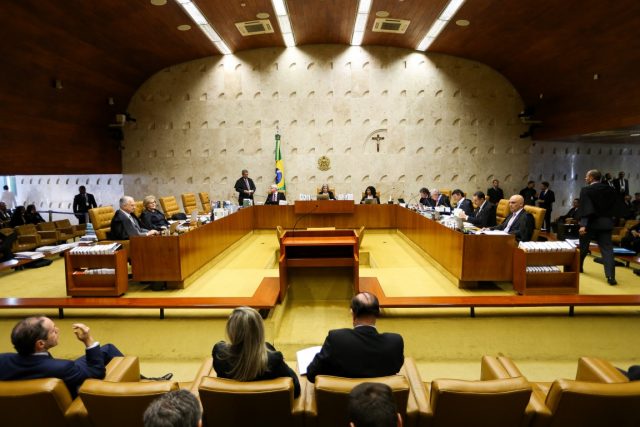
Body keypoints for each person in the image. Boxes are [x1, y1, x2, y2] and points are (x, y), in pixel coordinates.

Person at [0, 316, 124, 398]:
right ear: (41, 344)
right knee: (106, 353)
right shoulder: (63, 367)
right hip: (70, 397)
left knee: (107, 349)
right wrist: (88, 341)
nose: (58, 330)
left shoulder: (2, 360)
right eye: (53, 331)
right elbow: (97, 372)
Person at [306, 292, 404, 383]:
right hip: (380, 394)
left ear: (353, 313)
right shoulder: (395, 342)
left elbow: (312, 374)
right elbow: (396, 368)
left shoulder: (336, 338)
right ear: (378, 312)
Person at [212, 306, 300, 398]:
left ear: (230, 330)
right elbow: (296, 388)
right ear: (259, 330)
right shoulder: (272, 360)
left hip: (230, 405)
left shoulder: (219, 353)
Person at [577, 169, 622, 285]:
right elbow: (616, 206)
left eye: (586, 176)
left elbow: (586, 208)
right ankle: (611, 277)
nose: (585, 178)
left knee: (583, 248)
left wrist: (583, 225)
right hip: (606, 223)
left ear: (591, 177)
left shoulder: (586, 190)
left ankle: (579, 267)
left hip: (590, 224)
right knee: (607, 250)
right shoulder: (610, 189)